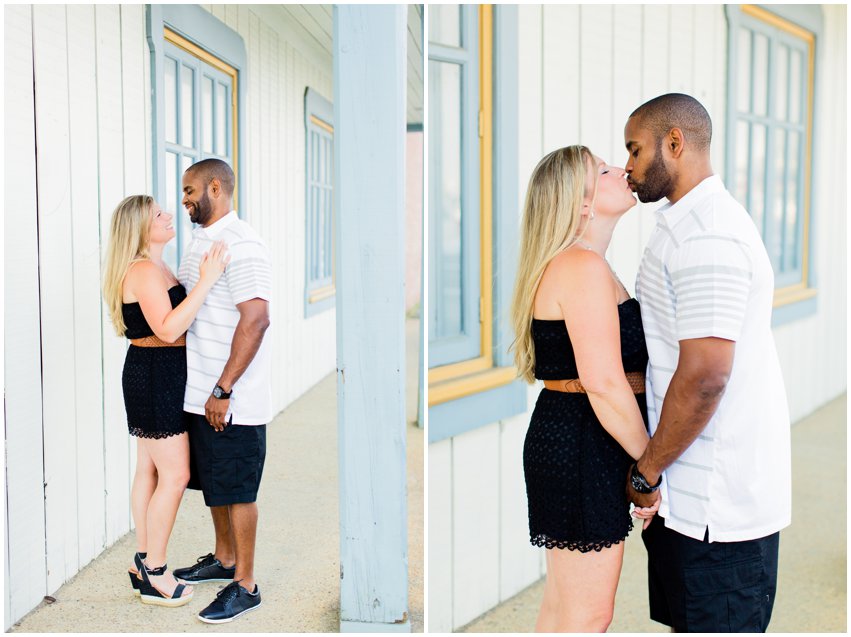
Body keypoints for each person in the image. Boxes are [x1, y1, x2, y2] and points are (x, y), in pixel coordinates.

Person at [623, 93, 791, 632]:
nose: (627, 166)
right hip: (686, 503)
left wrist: (646, 472)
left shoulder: (709, 234)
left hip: (720, 516)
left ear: (674, 143)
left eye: (634, 150)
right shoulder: (682, 226)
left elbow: (705, 376)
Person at [510, 145, 659, 632]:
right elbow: (605, 382)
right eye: (603, 168)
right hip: (582, 443)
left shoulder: (589, 263)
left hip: (581, 439)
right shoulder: (581, 267)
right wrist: (650, 468)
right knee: (586, 615)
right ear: (581, 202)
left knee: (564, 608)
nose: (622, 169)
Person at [102, 195, 228, 606]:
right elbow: (171, 329)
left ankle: (142, 560)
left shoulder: (154, 266)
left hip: (155, 371)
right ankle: (155, 571)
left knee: (150, 471)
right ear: (141, 227)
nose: (169, 214)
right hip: (156, 375)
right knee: (174, 475)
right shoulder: (143, 271)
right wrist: (208, 279)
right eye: (158, 214)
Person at [171, 158, 273, 624]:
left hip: (232, 396)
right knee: (214, 482)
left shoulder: (241, 243)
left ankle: (245, 584)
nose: (186, 198)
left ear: (217, 186)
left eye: (192, 189)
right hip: (199, 392)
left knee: (238, 489)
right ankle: (224, 558)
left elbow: (256, 319)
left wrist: (224, 388)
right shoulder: (199, 242)